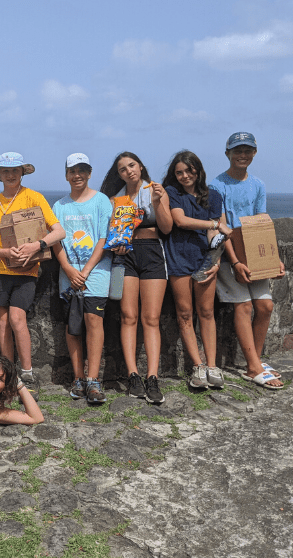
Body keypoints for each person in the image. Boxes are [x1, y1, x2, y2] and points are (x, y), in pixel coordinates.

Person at [0, 152, 65, 398]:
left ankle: (26, 372)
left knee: (17, 319)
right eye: (5, 170)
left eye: (15, 170)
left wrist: (37, 246)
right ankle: (6, 374)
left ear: (22, 172)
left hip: (27, 270)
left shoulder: (34, 198)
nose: (10, 174)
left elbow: (58, 232)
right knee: (3, 322)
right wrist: (6, 252)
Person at [209, 132, 285, 390]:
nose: (242, 155)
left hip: (253, 254)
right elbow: (222, 226)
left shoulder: (258, 184)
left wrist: (273, 259)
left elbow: (261, 223)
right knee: (242, 307)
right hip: (229, 254)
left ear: (254, 153)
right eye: (237, 151)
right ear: (227, 153)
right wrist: (235, 261)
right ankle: (253, 366)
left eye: (247, 151)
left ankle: (255, 359)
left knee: (265, 307)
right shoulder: (217, 186)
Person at [100, 152, 173, 404]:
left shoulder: (156, 190)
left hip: (152, 253)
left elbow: (166, 227)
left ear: (140, 166)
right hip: (125, 257)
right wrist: (115, 246)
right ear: (118, 174)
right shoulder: (115, 199)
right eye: (122, 169)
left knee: (151, 318)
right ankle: (133, 375)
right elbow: (111, 234)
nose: (128, 171)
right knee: (128, 316)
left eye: (132, 165)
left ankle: (152, 377)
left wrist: (157, 201)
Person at [162, 151, 232, 389]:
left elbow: (214, 236)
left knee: (206, 312)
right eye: (179, 172)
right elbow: (180, 221)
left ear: (198, 170)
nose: (184, 176)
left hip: (204, 258)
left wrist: (216, 259)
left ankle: (212, 365)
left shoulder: (213, 196)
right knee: (184, 313)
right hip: (178, 256)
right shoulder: (172, 193)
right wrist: (216, 224)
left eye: (189, 170)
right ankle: (198, 366)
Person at [52, 154, 112, 404]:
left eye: (82, 170)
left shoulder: (101, 201)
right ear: (66, 175)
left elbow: (102, 238)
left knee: (93, 321)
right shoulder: (60, 206)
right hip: (69, 275)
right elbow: (55, 240)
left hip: (96, 272)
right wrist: (68, 269)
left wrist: (84, 271)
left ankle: (93, 379)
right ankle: (78, 378)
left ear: (89, 173)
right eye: (72, 171)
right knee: (73, 325)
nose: (77, 175)